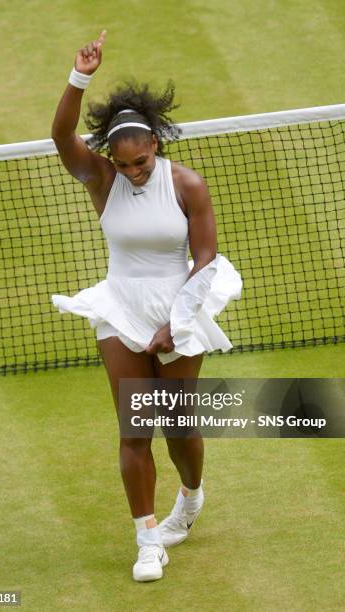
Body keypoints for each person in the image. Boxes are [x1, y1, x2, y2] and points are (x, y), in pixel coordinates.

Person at [51, 30, 242, 582]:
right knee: (135, 426)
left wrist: (174, 323)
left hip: (179, 302)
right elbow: (62, 134)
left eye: (140, 162)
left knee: (178, 424)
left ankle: (192, 495)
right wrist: (79, 75)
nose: (133, 172)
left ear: (155, 144)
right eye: (123, 163)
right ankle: (147, 539)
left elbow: (204, 260)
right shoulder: (101, 178)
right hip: (120, 305)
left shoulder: (188, 185)